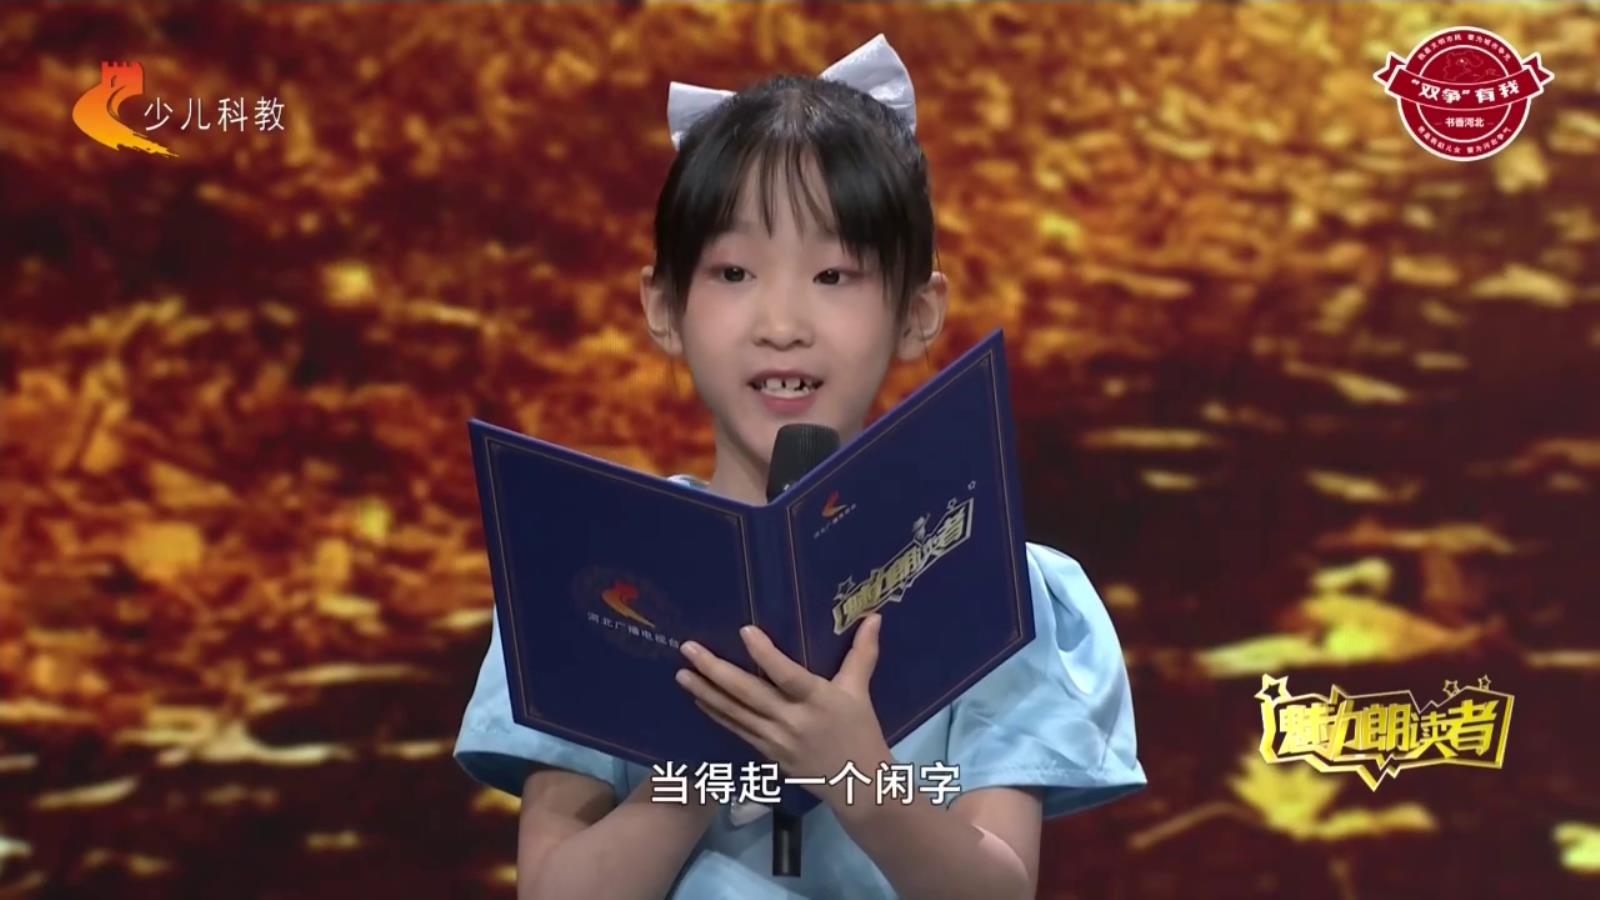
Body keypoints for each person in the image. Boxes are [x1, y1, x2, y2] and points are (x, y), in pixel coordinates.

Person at [454, 34, 1145, 900]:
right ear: (664, 306)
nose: (782, 324)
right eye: (735, 271)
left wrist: (854, 772)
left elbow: (997, 890)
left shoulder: (988, 579)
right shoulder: (588, 578)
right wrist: (709, 760)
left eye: (834, 275)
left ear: (917, 311)